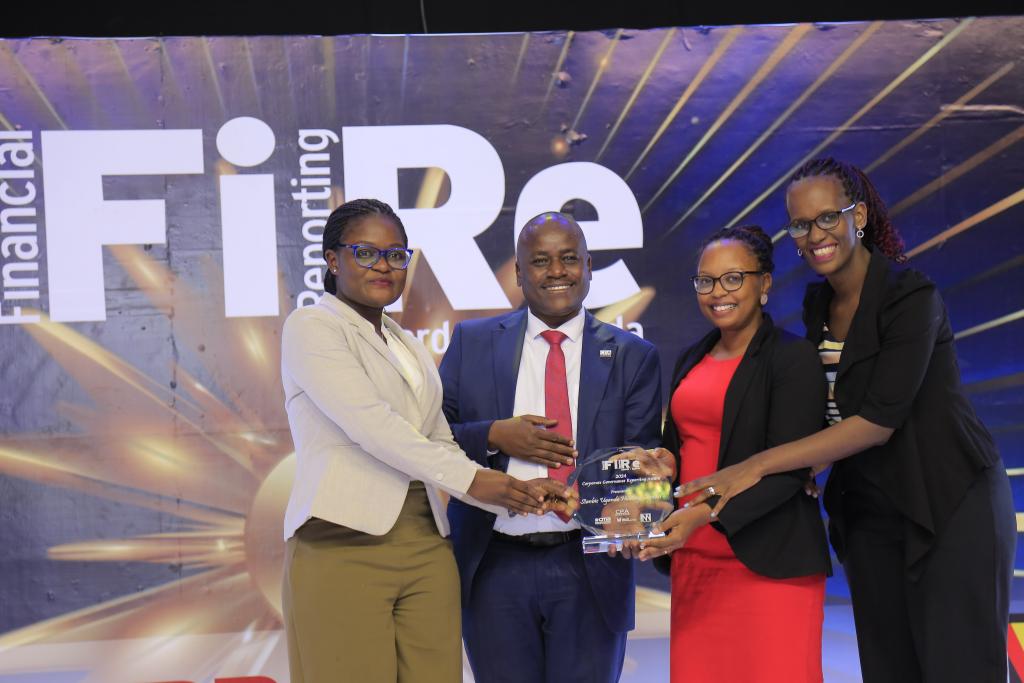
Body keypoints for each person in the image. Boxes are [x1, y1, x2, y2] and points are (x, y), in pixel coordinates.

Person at [676, 158, 1016, 683]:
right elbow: (829, 406)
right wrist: (805, 468)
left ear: (857, 216)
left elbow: (878, 420)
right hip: (869, 507)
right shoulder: (818, 303)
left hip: (949, 501)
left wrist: (758, 465)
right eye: (800, 225)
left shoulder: (911, 296)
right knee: (888, 666)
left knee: (959, 665)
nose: (814, 236)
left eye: (827, 218)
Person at [279, 198, 572, 683]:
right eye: (365, 252)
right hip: (340, 541)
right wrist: (476, 481)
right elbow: (372, 425)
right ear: (333, 261)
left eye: (396, 255)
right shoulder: (312, 327)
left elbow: (436, 436)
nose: (384, 266)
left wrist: (516, 494)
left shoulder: (406, 343)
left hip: (427, 542)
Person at [438, 211, 664, 683]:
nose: (556, 271)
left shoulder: (633, 355)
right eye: (540, 261)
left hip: (590, 566)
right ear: (519, 273)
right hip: (494, 563)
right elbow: (436, 438)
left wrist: (619, 509)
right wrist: (497, 435)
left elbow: (645, 463)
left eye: (568, 258)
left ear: (587, 266)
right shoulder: (471, 342)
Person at [637, 225, 831, 682]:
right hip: (695, 563)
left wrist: (703, 515)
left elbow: (790, 468)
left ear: (764, 283)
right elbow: (678, 447)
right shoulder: (692, 356)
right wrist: (657, 474)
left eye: (733, 279)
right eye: (706, 281)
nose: (717, 292)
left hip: (769, 569)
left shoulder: (793, 359)